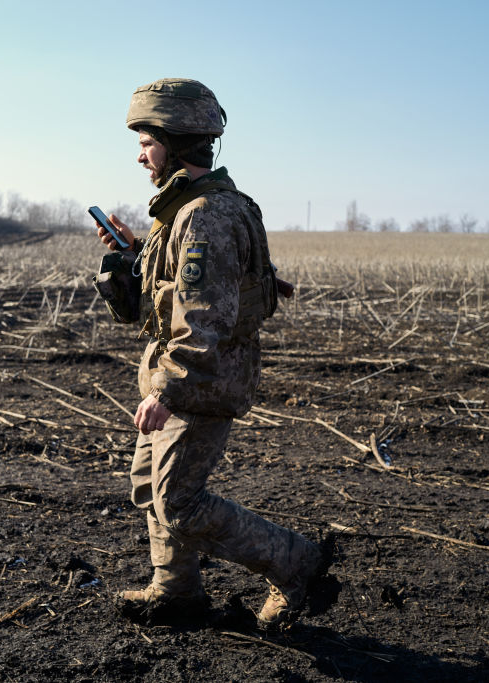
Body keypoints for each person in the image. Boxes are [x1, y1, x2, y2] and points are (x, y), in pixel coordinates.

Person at [94, 78, 334, 629]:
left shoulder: (205, 215)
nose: (140, 155)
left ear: (176, 144)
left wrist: (167, 389)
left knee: (178, 500)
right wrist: (134, 252)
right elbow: (193, 282)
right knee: (149, 485)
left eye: (146, 142)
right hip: (188, 375)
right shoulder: (189, 211)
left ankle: (297, 562)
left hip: (200, 381)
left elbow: (203, 317)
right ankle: (175, 590)